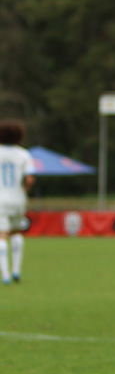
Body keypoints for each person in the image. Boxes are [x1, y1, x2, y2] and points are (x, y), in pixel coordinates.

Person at [0, 119, 35, 286]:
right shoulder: (24, 154)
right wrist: (23, 193)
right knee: (16, 232)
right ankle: (16, 271)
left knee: (1, 236)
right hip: (18, 198)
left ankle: (5, 274)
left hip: (0, 199)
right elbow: (29, 179)